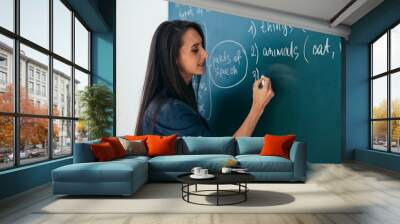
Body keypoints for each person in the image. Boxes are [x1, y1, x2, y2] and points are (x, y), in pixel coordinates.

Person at [135, 20, 274, 137]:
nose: (205, 54)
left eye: (202, 47)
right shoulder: (170, 111)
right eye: (195, 50)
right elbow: (222, 156)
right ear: (174, 58)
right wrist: (257, 106)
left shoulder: (169, 106)